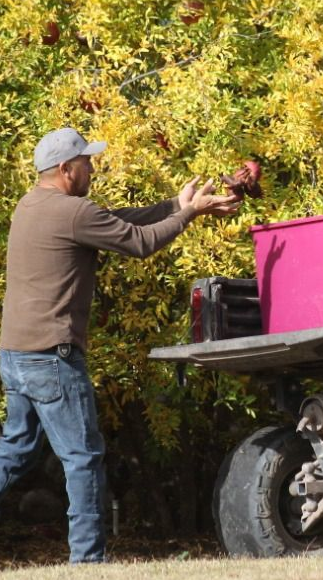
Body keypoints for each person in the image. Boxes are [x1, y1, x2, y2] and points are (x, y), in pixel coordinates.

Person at [0, 127, 239, 563]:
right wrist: (189, 215)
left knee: (14, 452)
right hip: (52, 357)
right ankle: (88, 562)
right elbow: (140, 242)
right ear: (65, 169)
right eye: (87, 161)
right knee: (84, 457)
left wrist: (175, 206)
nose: (92, 167)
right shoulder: (72, 213)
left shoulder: (31, 205)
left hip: (15, 355)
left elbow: (117, 218)